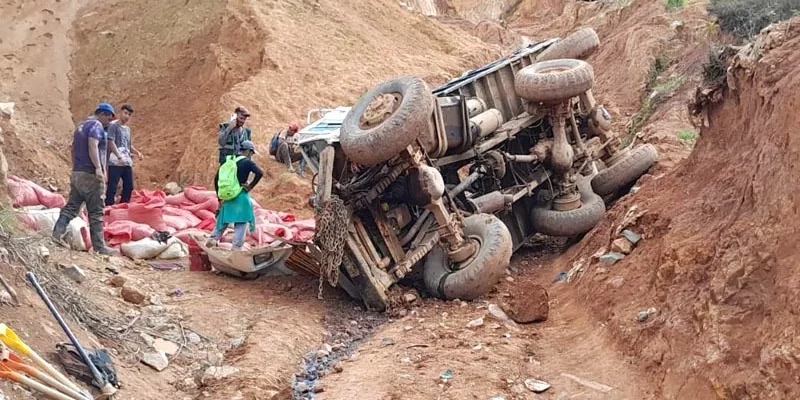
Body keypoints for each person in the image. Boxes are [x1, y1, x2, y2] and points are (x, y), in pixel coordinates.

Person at [52, 103, 116, 255]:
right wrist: (99, 169)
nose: (109, 121)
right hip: (91, 174)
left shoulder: (81, 126)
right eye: (108, 117)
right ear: (102, 114)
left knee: (72, 207)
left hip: (78, 173)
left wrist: (76, 167)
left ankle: (56, 235)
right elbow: (93, 145)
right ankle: (100, 247)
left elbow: (73, 148)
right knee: (96, 212)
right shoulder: (96, 125)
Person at [207, 140, 263, 251]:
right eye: (251, 153)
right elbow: (260, 173)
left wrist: (220, 197)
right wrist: (250, 186)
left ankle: (213, 239)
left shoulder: (228, 162)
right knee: (242, 221)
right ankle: (236, 247)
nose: (251, 156)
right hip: (241, 195)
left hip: (228, 197)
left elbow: (216, 179)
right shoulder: (247, 162)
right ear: (248, 151)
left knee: (224, 219)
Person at [105, 104, 143, 206]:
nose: (127, 116)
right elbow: (111, 141)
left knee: (129, 186)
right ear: (120, 112)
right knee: (112, 186)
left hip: (126, 162)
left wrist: (137, 152)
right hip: (115, 162)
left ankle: (123, 207)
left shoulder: (128, 130)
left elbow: (128, 145)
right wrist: (118, 156)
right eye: (125, 113)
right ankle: (108, 207)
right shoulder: (113, 126)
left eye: (129, 114)